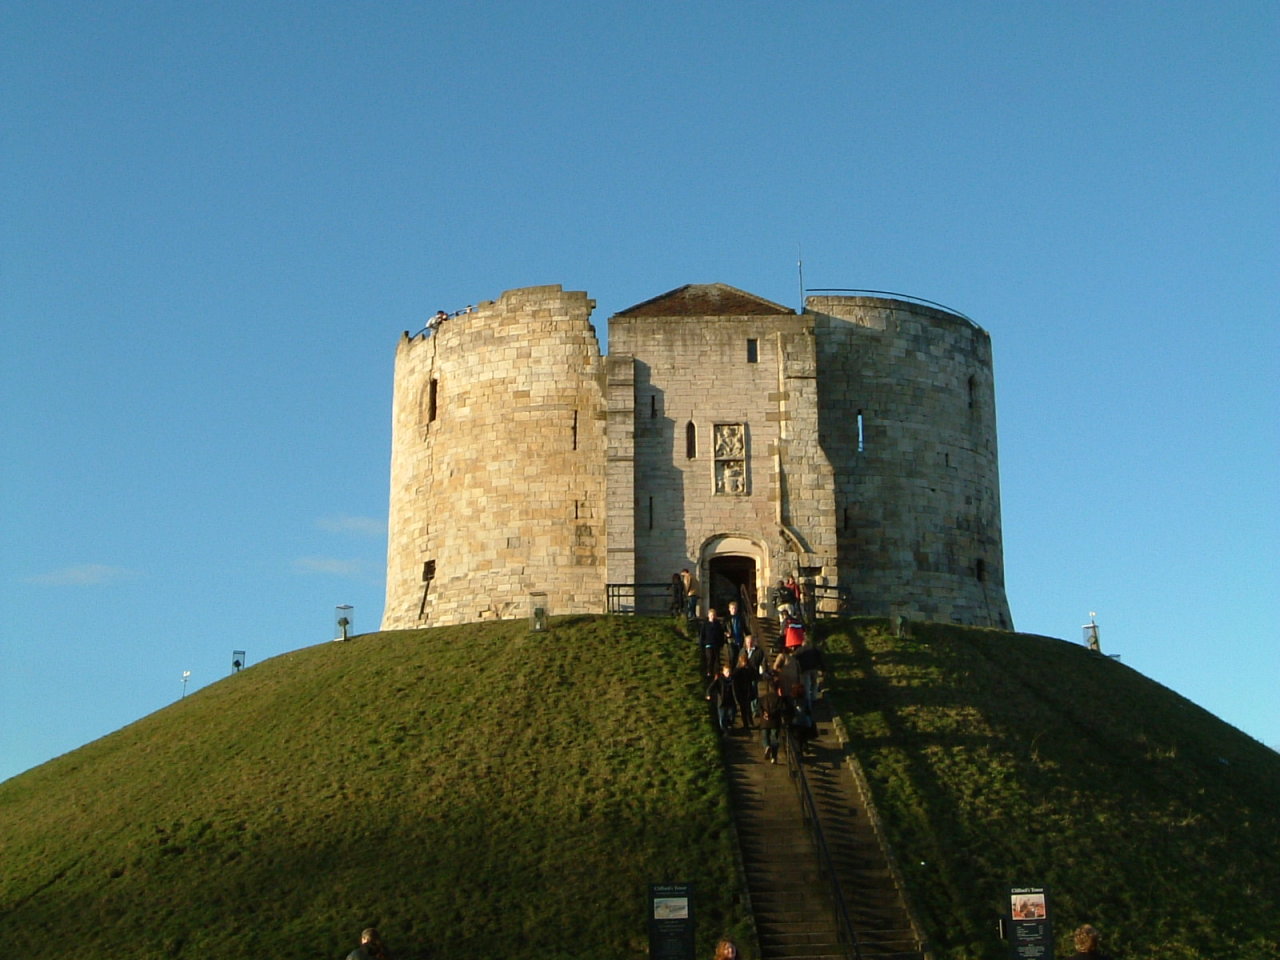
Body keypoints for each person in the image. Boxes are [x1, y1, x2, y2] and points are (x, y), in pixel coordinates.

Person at [758, 678, 785, 764]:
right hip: (775, 722)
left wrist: (765, 714)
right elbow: (780, 709)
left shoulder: (763, 698)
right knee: (774, 739)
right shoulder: (779, 699)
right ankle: (774, 757)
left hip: (765, 722)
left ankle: (767, 746)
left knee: (765, 737)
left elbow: (760, 708)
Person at [705, 663, 736, 735]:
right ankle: (725, 731)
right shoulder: (719, 680)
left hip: (731, 701)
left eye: (729, 672)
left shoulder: (733, 679)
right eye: (726, 672)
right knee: (722, 718)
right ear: (723, 672)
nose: (728, 674)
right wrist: (708, 694)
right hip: (722, 702)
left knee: (732, 715)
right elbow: (711, 687)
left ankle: (729, 726)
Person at [794, 638, 824, 711]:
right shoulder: (814, 649)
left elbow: (794, 658)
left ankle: (808, 703)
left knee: (807, 687)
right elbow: (820, 659)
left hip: (805, 670)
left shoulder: (800, 650)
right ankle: (814, 699)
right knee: (815, 684)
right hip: (814, 669)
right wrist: (823, 669)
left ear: (803, 643)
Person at [731, 651, 756, 730]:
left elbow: (753, 676)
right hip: (741, 691)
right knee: (744, 708)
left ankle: (749, 723)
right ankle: (746, 724)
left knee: (747, 708)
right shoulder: (737, 671)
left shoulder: (747, 670)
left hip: (746, 690)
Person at [699, 608, 726, 678]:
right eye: (711, 615)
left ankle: (717, 673)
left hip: (716, 644)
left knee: (717, 659)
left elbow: (721, 634)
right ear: (708, 615)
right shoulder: (705, 624)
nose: (712, 616)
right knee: (710, 658)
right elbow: (702, 634)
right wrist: (702, 643)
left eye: (713, 615)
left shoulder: (718, 624)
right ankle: (709, 672)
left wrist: (721, 643)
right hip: (708, 644)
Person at [725, 600, 747, 665]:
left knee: (739, 657)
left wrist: (748, 635)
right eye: (732, 608)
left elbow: (744, 628)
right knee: (732, 656)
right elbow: (723, 629)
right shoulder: (726, 619)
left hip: (739, 640)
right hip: (731, 640)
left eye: (735, 608)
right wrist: (726, 633)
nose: (733, 610)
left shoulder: (740, 618)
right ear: (729, 609)